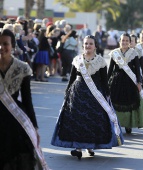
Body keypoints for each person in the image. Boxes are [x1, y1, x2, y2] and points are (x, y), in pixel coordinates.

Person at [51, 35, 124, 159]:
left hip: (94, 96)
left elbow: (104, 81)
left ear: (95, 46)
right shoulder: (77, 60)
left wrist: (107, 95)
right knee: (78, 120)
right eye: (85, 44)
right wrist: (67, 92)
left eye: (90, 44)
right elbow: (72, 78)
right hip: (78, 93)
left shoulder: (100, 61)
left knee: (92, 120)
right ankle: (78, 148)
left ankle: (90, 146)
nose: (88, 46)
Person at [0, 29, 47, 169]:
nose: (1, 47)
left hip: (15, 123)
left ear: (13, 46)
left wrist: (35, 127)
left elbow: (27, 100)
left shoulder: (22, 68)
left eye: (5, 44)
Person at [108, 33, 143, 134]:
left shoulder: (133, 53)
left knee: (129, 102)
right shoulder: (114, 53)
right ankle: (116, 123)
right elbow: (110, 70)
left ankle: (128, 124)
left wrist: (139, 82)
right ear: (120, 41)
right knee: (115, 102)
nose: (124, 42)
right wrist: (105, 82)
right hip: (116, 82)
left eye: (127, 41)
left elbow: (137, 70)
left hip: (130, 82)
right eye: (123, 40)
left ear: (130, 42)